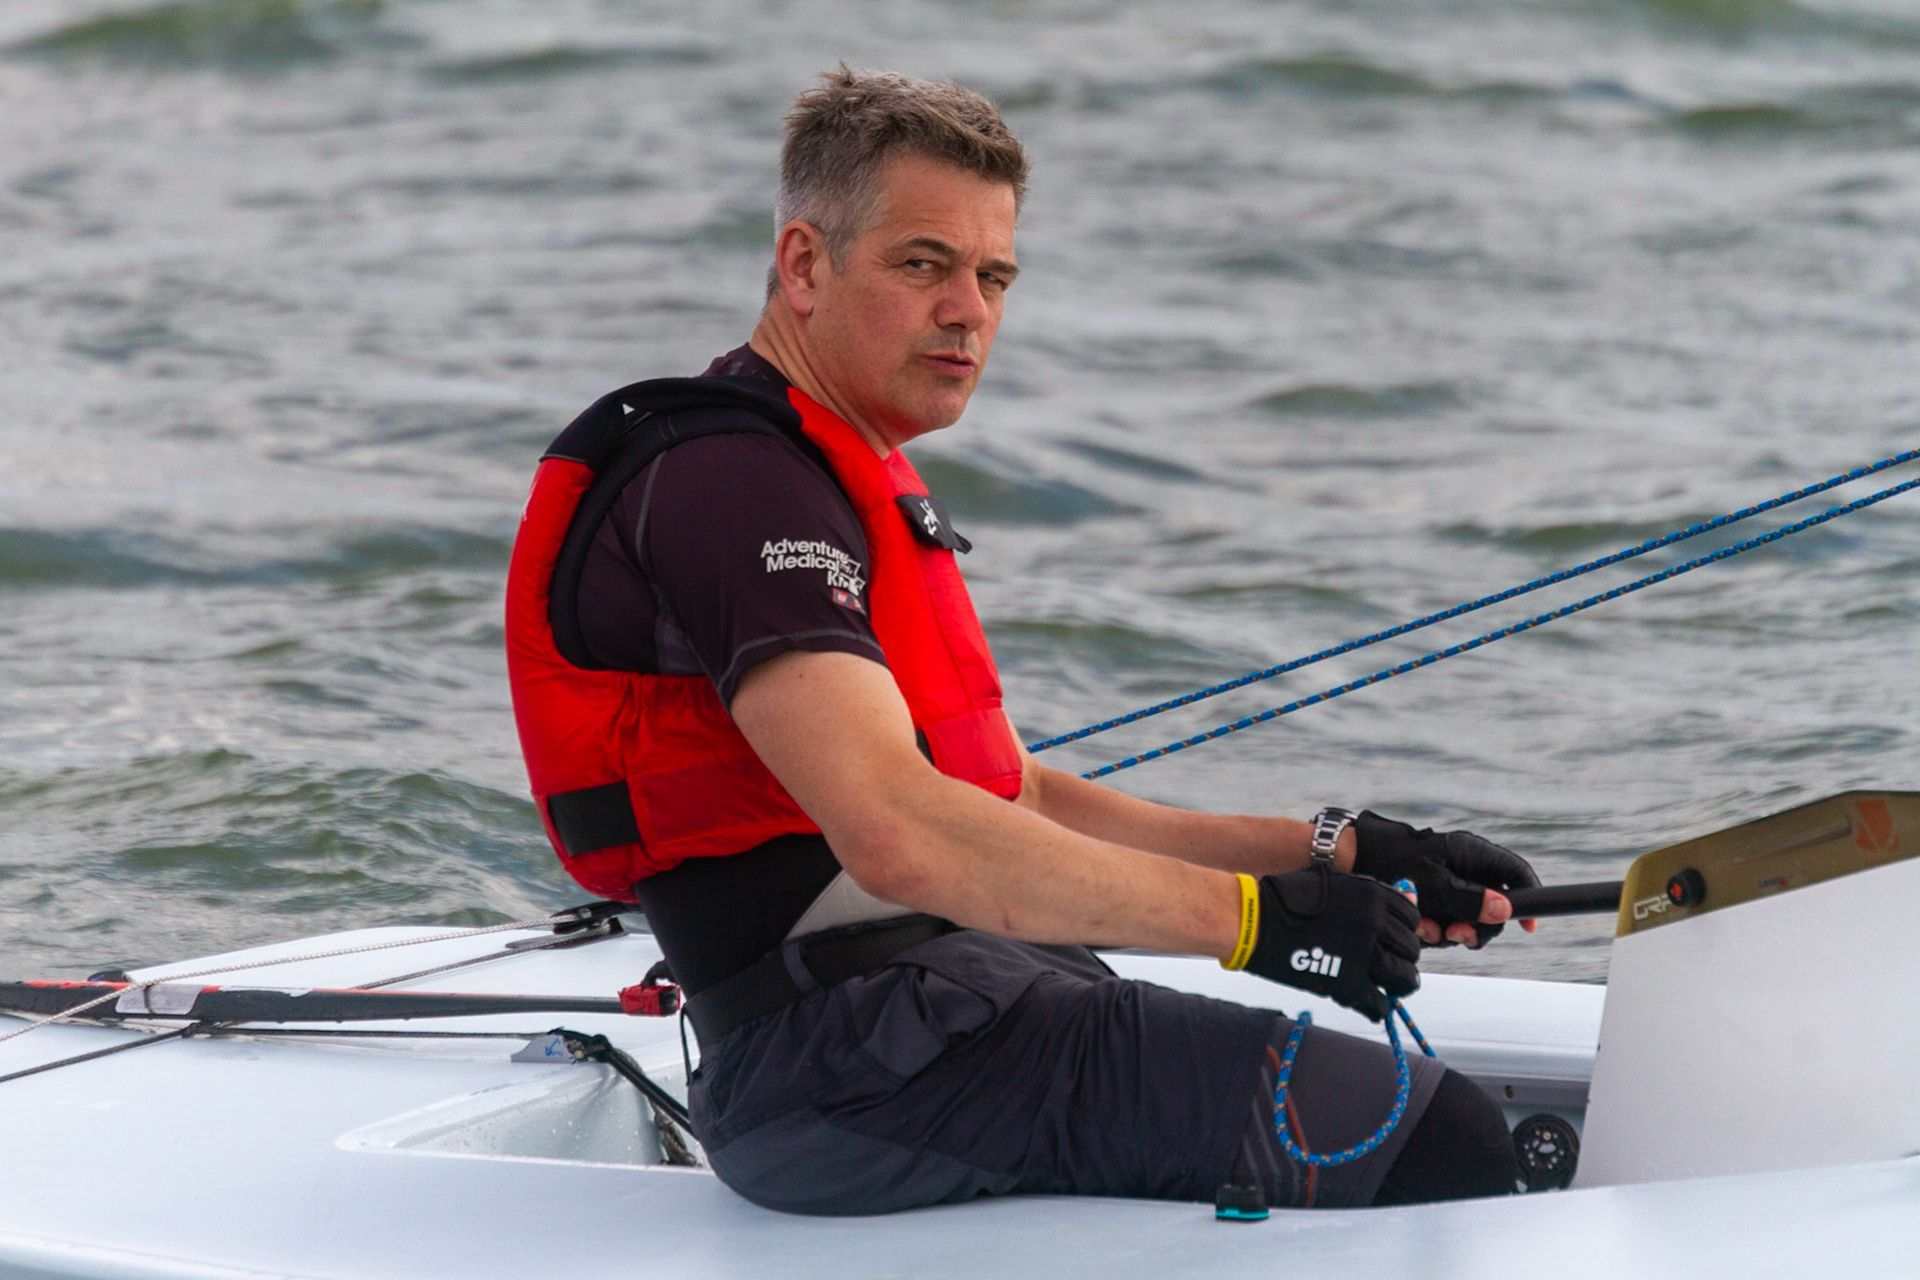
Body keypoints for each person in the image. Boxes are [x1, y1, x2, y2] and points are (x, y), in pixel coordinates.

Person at [505, 67, 1541, 1215]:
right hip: (845, 1065)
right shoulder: (731, 483)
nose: (969, 309)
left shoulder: (824, 470)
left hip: (937, 1008)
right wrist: (1256, 925)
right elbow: (899, 830)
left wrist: (1335, 855)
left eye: (993, 276)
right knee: (1440, 1136)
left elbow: (1015, 800)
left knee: (1410, 1115)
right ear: (804, 264)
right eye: (923, 264)